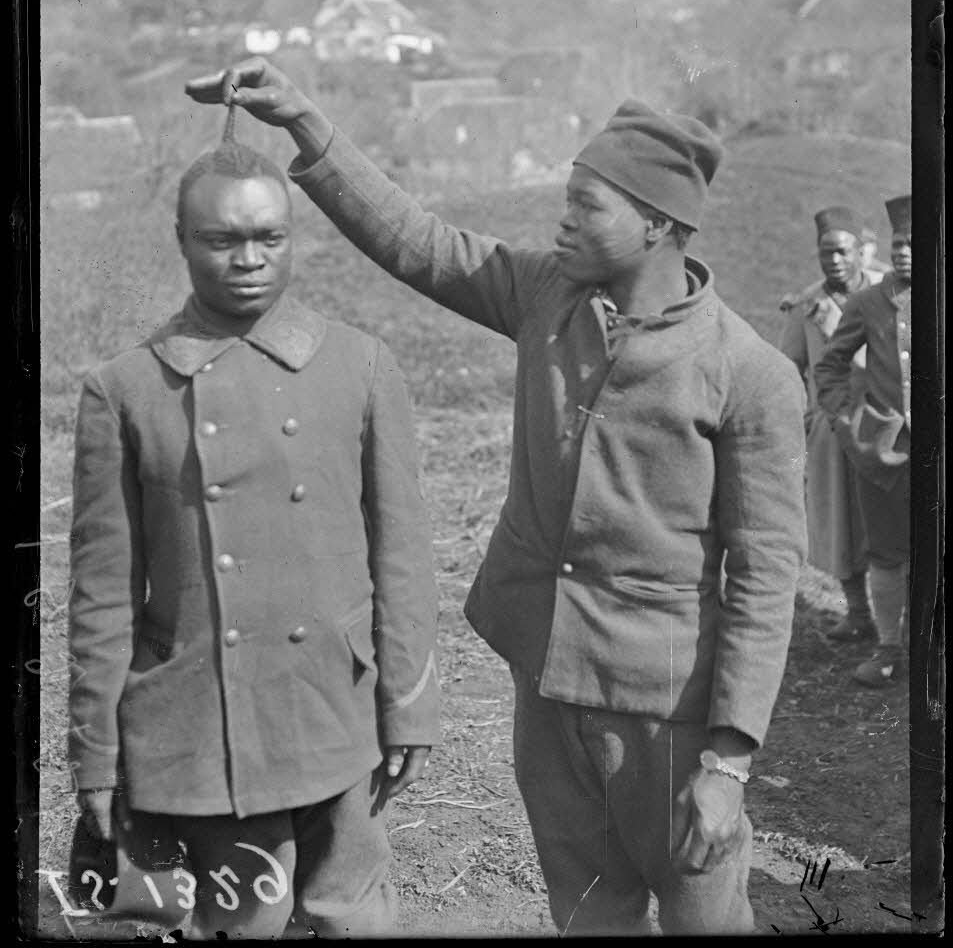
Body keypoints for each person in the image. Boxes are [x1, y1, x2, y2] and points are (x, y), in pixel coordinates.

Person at [187, 59, 808, 937]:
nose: (563, 215)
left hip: (666, 712)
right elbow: (418, 242)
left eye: (587, 203)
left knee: (706, 918)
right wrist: (305, 123)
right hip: (546, 679)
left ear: (659, 224)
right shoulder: (545, 293)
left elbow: (764, 576)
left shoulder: (749, 375)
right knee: (590, 914)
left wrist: (730, 762)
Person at [67, 133, 439, 939]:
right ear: (181, 242)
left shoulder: (361, 367)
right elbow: (101, 599)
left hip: (331, 711)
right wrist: (94, 757)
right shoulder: (124, 390)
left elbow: (402, 556)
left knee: (353, 921)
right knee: (240, 923)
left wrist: (408, 706)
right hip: (201, 726)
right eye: (222, 240)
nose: (249, 260)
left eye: (269, 237)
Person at [815, 195, 911, 688]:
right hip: (884, 454)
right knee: (888, 554)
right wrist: (845, 418)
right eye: (898, 244)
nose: (904, 253)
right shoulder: (867, 302)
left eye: (915, 244)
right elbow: (829, 365)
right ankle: (889, 649)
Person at [778, 206, 883, 641]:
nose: (834, 261)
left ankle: (902, 622)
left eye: (843, 252)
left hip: (885, 424)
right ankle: (858, 613)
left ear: (862, 251)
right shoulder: (806, 305)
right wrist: (805, 417)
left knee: (890, 522)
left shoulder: (890, 292)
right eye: (826, 254)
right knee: (841, 522)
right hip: (833, 429)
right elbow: (788, 366)